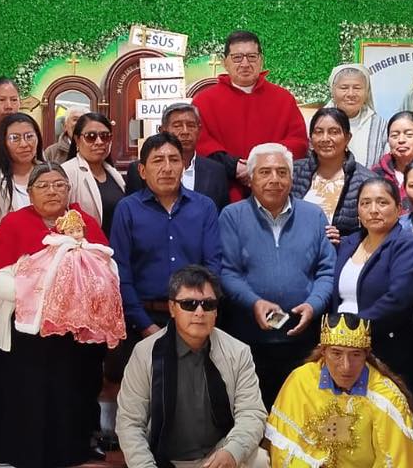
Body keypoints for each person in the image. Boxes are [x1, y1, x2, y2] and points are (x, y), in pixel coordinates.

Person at [0, 164, 121, 467]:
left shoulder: (83, 222)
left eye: (59, 185)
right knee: (29, 395)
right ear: (30, 192)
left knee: (72, 392)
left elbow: (107, 269)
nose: (52, 191)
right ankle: (25, 455)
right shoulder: (14, 223)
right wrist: (46, 295)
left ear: (68, 190)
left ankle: (74, 450)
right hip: (27, 331)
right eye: (43, 186)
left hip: (75, 333)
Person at [220, 143, 336, 407]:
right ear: (250, 178)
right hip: (248, 339)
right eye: (265, 172)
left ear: (291, 178)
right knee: (253, 413)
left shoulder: (314, 215)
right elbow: (228, 272)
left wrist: (313, 305)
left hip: (304, 339)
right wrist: (254, 302)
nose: (275, 179)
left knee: (302, 413)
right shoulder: (232, 216)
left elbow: (327, 271)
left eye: (282, 172)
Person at [116, 265, 266, 468]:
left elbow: (252, 413)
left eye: (208, 304)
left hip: (218, 456)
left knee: (259, 461)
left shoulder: (238, 352)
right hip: (162, 460)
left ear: (216, 310)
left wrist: (232, 452)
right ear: (172, 308)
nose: (199, 312)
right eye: (189, 304)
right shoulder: (145, 354)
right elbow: (129, 423)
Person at [266, 313, 413, 468]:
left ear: (366, 355)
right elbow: (286, 451)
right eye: (336, 353)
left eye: (355, 355)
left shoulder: (386, 400)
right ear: (323, 351)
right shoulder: (301, 382)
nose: (346, 366)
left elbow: (398, 462)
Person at [112, 132, 224, 338]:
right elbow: (120, 272)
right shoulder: (127, 209)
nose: (167, 168)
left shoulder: (204, 207)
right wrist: (145, 325)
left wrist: (198, 309)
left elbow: (213, 265)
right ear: (142, 171)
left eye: (174, 160)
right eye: (158, 160)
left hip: (195, 315)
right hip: (143, 318)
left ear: (183, 166)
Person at [328, 178, 413, 405]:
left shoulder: (408, 245)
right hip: (341, 348)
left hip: (385, 349)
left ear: (399, 208)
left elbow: (398, 299)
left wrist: (351, 331)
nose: (373, 210)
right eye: (365, 203)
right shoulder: (347, 243)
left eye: (382, 202)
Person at [192, 30, 308, 201]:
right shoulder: (204, 101)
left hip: (274, 190)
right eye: (237, 57)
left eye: (252, 57)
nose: (245, 64)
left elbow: (298, 142)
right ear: (225, 62)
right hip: (222, 190)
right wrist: (234, 167)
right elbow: (199, 143)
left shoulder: (283, 99)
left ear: (261, 60)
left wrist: (260, 167)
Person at [125, 103, 231, 211]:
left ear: (199, 131)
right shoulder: (141, 169)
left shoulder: (216, 171)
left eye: (191, 125)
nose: (185, 132)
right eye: (177, 126)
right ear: (162, 130)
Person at [291, 107, 371, 241]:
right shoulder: (293, 172)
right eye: (318, 132)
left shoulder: (365, 180)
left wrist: (343, 241)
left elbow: (373, 232)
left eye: (334, 132)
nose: (325, 138)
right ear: (310, 138)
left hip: (341, 251)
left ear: (347, 138)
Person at [61, 112, 127, 229]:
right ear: (77, 139)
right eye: (91, 136)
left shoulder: (113, 173)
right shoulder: (66, 172)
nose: (99, 142)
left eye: (105, 136)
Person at [325, 64, 389, 167]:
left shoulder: (379, 125)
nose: (351, 94)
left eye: (357, 88)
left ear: (367, 92)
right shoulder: (319, 122)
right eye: (344, 88)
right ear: (333, 91)